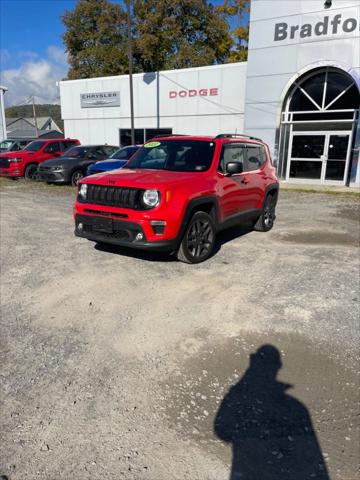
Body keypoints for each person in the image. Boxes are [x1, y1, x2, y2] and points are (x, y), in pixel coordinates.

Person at [214, 344, 330, 480]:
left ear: (254, 364)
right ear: (277, 367)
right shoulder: (294, 406)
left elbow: (221, 430)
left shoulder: (239, 399)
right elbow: (311, 455)